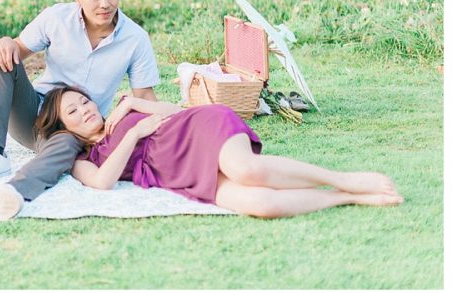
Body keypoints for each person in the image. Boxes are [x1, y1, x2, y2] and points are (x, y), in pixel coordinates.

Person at [0, 0, 160, 220]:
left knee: (66, 145)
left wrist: (169, 125)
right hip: (34, 113)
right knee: (1, 56)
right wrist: (5, 42)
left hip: (79, 127)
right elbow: (17, 49)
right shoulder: (56, 17)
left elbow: (144, 96)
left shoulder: (135, 39)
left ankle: (12, 193)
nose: (106, 4)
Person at [28, 86, 403, 218]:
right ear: (65, 128)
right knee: (261, 205)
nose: (86, 110)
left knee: (247, 170)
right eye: (74, 112)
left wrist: (132, 107)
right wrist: (134, 135)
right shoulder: (83, 161)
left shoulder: (123, 111)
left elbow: (179, 112)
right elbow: (103, 183)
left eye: (83, 101)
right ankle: (343, 198)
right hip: (179, 174)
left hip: (199, 131)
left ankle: (344, 179)